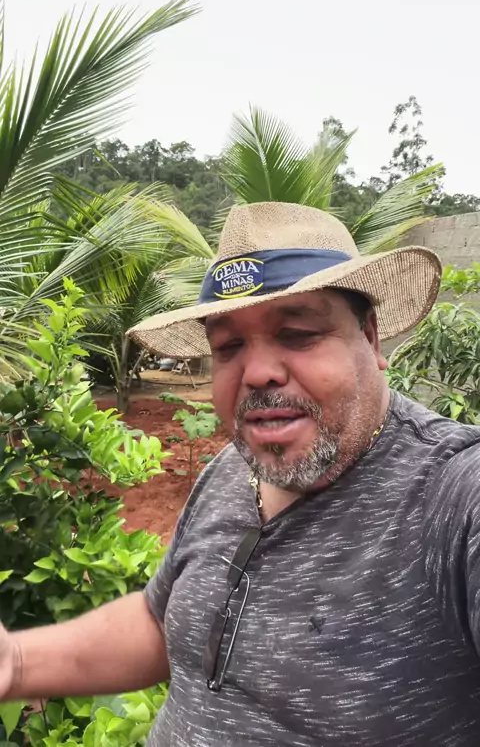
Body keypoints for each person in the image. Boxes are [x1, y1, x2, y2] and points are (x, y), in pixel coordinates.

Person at [2, 201, 480, 747]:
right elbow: (162, 621)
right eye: (229, 346)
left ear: (370, 339)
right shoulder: (233, 468)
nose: (257, 373)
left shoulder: (453, 497)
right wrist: (16, 662)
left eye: (297, 333)